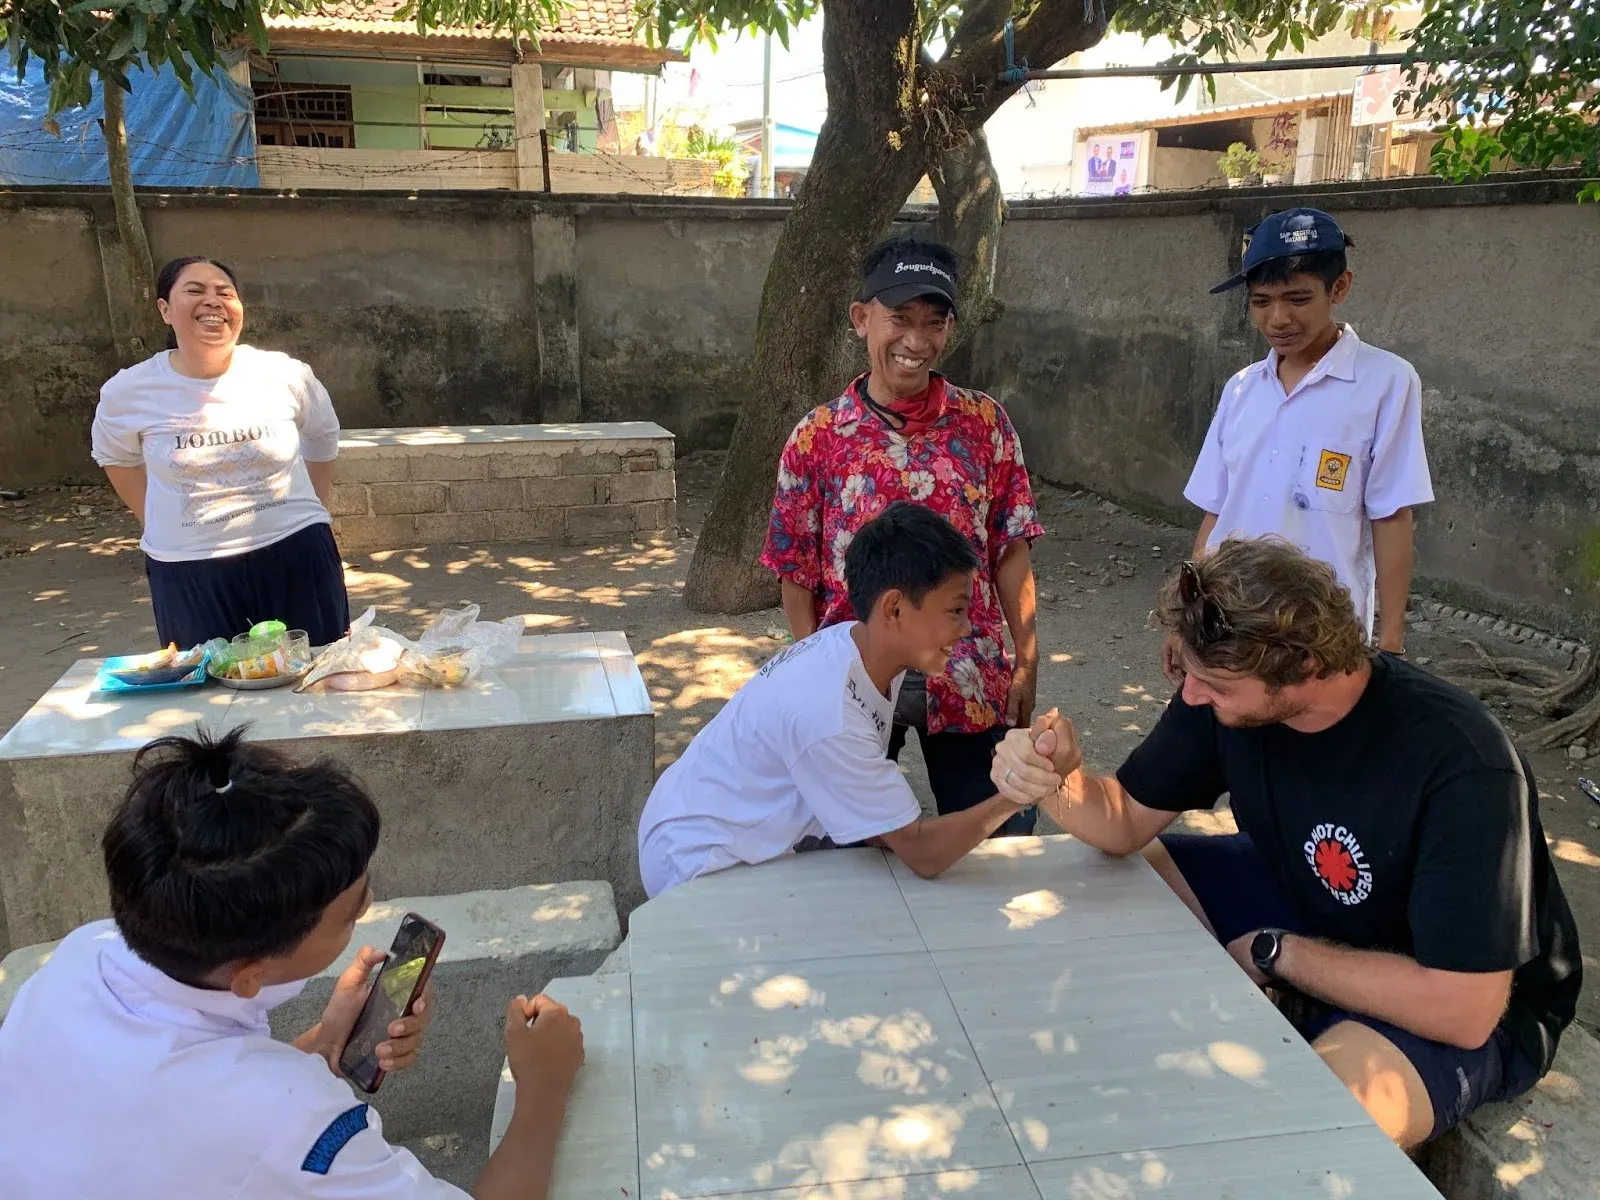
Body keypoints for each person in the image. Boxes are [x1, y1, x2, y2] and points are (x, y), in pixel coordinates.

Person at [993, 538, 1582, 1149]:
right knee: (1114, 872)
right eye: (1187, 675)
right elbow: (1122, 822)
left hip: (1458, 990)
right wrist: (1053, 779)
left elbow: (1464, 1009)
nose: (1192, 696)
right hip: (1307, 893)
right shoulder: (1226, 691)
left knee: (1308, 1128)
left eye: (1214, 684)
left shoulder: (1462, 764)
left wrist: (1280, 955)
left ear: (1304, 668)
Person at [0, 729, 585, 1199]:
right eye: (351, 912)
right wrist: (542, 1088)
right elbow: (252, 1126)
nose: (369, 905)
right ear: (250, 975)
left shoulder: (85, 956)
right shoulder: (299, 1128)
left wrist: (325, 1045)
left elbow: (173, 1131)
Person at [762, 234, 1044, 838]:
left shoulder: (986, 425)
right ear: (862, 319)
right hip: (859, 678)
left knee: (997, 844)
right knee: (851, 851)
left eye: (934, 323)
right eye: (900, 319)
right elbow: (796, 573)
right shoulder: (818, 438)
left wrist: (1025, 660)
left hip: (971, 673)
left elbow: (1011, 549)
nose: (916, 341)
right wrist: (821, 679)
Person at [640, 503, 1038, 897]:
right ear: (894, 607)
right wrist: (1018, 794)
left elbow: (887, 829)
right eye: (955, 610)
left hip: (704, 835)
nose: (967, 627)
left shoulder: (860, 649)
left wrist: (896, 825)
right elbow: (923, 855)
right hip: (697, 866)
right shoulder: (831, 710)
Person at [1170, 207, 1432, 683]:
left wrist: (1391, 642)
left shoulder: (1386, 383)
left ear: (1341, 288)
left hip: (1320, 633)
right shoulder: (1242, 389)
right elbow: (1216, 511)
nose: (1278, 319)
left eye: (1298, 298)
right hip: (1227, 623)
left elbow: (1392, 515)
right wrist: (1187, 617)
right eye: (1261, 301)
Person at [92, 256, 351, 649]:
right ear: (165, 309)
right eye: (195, 291)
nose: (213, 301)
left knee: (318, 676)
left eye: (224, 293)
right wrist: (156, 519)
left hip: (297, 555)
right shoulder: (128, 391)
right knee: (209, 690)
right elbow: (115, 457)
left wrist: (314, 508)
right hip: (188, 568)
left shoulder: (283, 373)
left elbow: (323, 433)